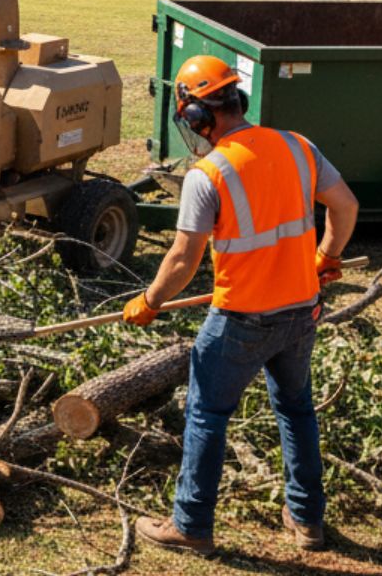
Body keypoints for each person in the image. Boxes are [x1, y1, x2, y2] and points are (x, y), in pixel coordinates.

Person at [125, 54, 358, 556]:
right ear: (237, 99)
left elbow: (183, 258)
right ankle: (307, 519)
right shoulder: (298, 147)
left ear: (194, 115)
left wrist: (149, 300)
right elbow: (346, 205)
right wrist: (326, 256)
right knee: (297, 409)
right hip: (301, 310)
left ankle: (190, 525)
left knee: (207, 412)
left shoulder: (207, 174)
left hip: (240, 318)